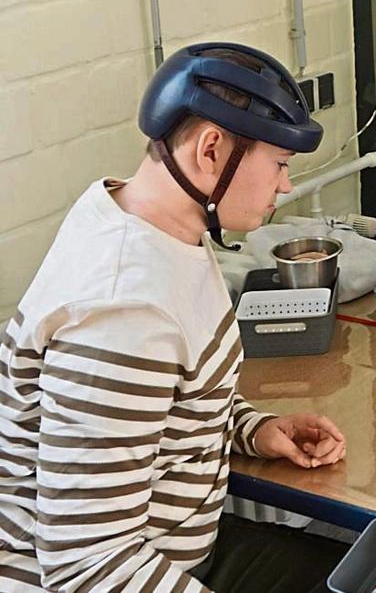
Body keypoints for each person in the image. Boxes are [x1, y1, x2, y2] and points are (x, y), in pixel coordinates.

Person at [0, 43, 350, 593]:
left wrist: (249, 428)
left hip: (176, 555)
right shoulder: (123, 312)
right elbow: (85, 563)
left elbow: (166, 399)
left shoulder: (156, 223)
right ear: (212, 149)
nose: (285, 185)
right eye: (279, 165)